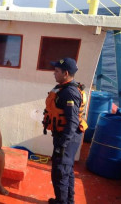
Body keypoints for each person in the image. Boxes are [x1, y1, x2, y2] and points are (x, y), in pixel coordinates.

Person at [43, 58, 88, 204]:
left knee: (60, 173)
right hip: (67, 137)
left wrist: (62, 144)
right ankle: (68, 201)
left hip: (67, 138)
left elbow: (73, 121)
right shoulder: (64, 88)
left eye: (56, 71)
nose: (54, 74)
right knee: (66, 171)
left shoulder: (69, 93)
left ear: (66, 73)